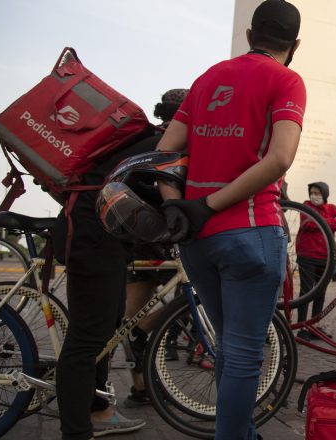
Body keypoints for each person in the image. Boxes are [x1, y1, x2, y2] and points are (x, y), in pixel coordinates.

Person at [155, 1, 305, 438]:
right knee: (242, 355)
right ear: (294, 45)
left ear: (249, 35)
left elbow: (165, 152)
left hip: (197, 238)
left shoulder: (208, 78)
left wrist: (175, 204)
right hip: (250, 232)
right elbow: (280, 158)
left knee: (227, 349)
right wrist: (212, 205)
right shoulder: (287, 80)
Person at [53, 126, 162, 437]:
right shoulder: (162, 148)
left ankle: (97, 411)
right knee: (85, 342)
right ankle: (76, 432)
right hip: (92, 239)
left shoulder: (149, 142)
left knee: (105, 331)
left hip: (103, 240)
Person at [123, 89, 188, 407]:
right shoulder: (178, 144)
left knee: (129, 321)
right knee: (188, 299)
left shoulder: (147, 141)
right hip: (163, 240)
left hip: (139, 240)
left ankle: (140, 386)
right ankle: (138, 380)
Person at [295, 182, 336, 339]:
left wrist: (321, 221)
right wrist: (328, 221)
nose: (314, 196)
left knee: (320, 292)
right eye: (312, 192)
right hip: (307, 255)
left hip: (325, 256)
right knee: (306, 291)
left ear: (325, 194)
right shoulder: (306, 206)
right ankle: (302, 328)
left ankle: (315, 327)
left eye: (317, 193)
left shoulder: (333, 208)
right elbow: (309, 222)